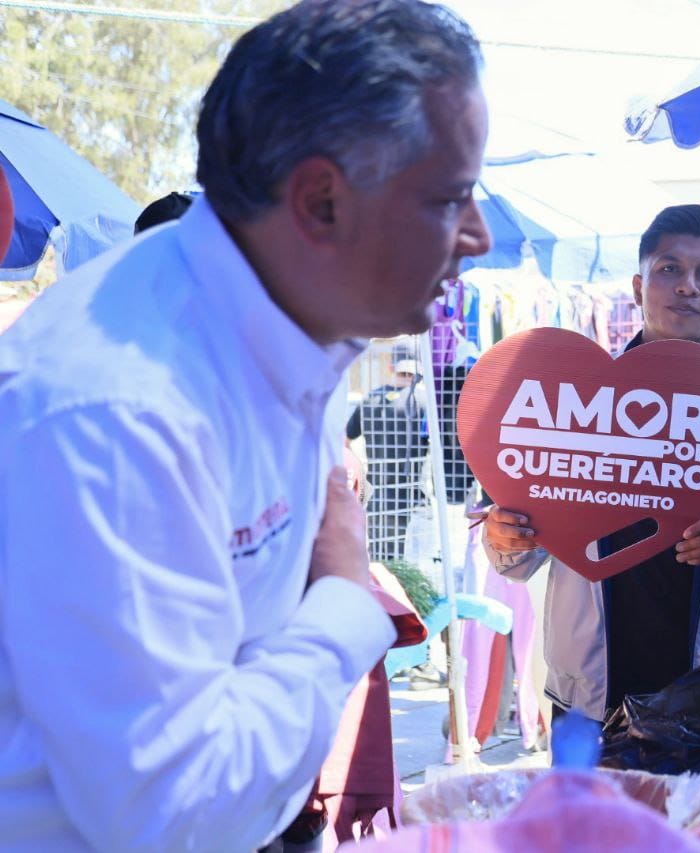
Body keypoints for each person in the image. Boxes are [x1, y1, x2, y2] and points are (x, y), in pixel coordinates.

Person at [0, 2, 492, 849]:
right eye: (450, 200)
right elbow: (171, 808)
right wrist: (343, 605)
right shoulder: (120, 410)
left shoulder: (305, 329)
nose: (476, 236)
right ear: (321, 202)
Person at [482, 204, 700, 722]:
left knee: (698, 809)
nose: (687, 286)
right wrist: (504, 537)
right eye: (669, 269)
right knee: (583, 809)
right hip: (585, 693)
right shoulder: (573, 400)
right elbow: (519, 554)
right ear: (638, 287)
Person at [346, 346, 429, 562]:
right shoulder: (424, 402)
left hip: (377, 495)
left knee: (381, 565)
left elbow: (344, 441)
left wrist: (360, 474)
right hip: (412, 497)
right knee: (414, 567)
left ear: (391, 366)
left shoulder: (368, 400)